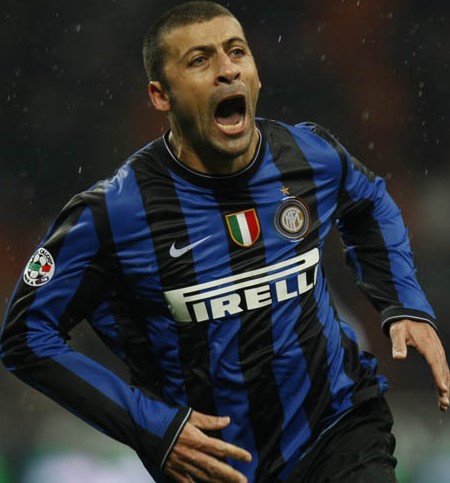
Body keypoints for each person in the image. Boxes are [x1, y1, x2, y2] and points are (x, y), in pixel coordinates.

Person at [1, 2, 449, 482]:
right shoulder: (114, 213)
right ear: (161, 95)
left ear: (256, 74)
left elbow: (369, 200)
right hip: (214, 464)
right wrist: (152, 427)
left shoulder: (307, 155)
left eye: (237, 52)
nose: (227, 69)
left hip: (338, 430)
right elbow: (26, 336)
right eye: (200, 60)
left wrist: (403, 302)